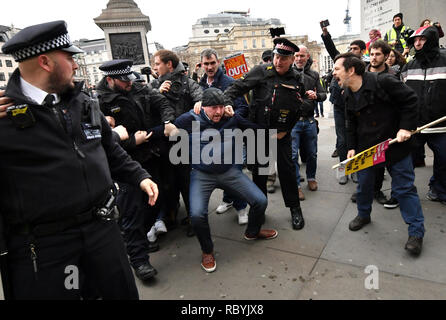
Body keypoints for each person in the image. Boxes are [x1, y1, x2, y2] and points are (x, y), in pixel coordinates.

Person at [0, 20, 159, 299]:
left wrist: (140, 176)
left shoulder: (83, 103)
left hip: (103, 231)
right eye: (70, 57)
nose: (75, 65)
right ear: (46, 62)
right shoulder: (4, 119)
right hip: (47, 248)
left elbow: (111, 151)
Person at [163, 88, 278, 272]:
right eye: (213, 107)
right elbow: (163, 128)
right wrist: (167, 124)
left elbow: (252, 128)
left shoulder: (230, 117)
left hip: (229, 171)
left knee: (260, 201)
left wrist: (277, 132)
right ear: (203, 107)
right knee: (197, 215)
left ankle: (253, 232)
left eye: (221, 107)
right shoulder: (189, 119)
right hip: (202, 174)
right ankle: (207, 250)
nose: (218, 112)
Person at [333, 52, 425, 256]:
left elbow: (411, 100)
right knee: (364, 186)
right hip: (368, 149)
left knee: (403, 189)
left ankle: (416, 232)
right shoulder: (347, 92)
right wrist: (352, 147)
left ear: (351, 70)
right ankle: (363, 215)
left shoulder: (384, 82)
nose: (333, 73)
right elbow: (350, 123)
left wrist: (406, 128)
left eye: (337, 69)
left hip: (395, 146)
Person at [96, 59, 176, 280]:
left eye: (129, 79)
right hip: (124, 164)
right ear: (110, 80)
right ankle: (139, 261)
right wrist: (132, 141)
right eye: (123, 81)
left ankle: (135, 240)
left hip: (149, 158)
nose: (129, 84)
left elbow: (161, 102)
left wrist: (168, 120)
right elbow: (99, 144)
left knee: (155, 202)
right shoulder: (99, 103)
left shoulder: (139, 86)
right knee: (132, 212)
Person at [223, 38, 306, 230]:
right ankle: (259, 210)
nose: (278, 62)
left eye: (284, 59)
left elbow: (299, 108)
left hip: (281, 135)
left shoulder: (297, 79)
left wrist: (286, 130)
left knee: (286, 172)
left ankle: (295, 209)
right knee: (259, 174)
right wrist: (227, 101)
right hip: (259, 133)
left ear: (292, 59)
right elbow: (236, 88)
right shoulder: (261, 72)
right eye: (277, 57)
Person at [151, 49, 203, 237]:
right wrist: (157, 93)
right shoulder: (154, 85)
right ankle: (170, 215)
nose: (154, 67)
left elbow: (200, 100)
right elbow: (143, 109)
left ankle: (192, 218)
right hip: (163, 144)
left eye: (157, 64)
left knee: (187, 182)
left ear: (169, 64)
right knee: (167, 182)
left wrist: (199, 103)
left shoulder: (188, 84)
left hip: (184, 142)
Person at [198, 48, 250, 224]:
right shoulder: (200, 85)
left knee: (234, 172)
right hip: (210, 139)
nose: (209, 67)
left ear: (218, 62)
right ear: (202, 65)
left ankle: (242, 207)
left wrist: (232, 114)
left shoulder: (230, 82)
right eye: (206, 64)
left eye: (212, 63)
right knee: (220, 172)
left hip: (230, 136)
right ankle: (228, 199)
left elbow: (243, 108)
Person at [401, 26, 446, 205]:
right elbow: (401, 95)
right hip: (415, 127)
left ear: (432, 39)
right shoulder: (408, 66)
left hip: (441, 126)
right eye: (415, 40)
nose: (417, 43)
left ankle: (439, 189)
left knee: (444, 160)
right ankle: (402, 192)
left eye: (422, 39)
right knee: (405, 161)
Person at [321, 24, 366, 185]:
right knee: (341, 140)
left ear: (362, 51)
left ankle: (353, 169)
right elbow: (331, 48)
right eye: (350, 48)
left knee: (355, 139)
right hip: (340, 107)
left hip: (356, 108)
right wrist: (325, 34)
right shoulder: (341, 60)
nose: (352, 50)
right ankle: (342, 170)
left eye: (355, 48)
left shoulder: (364, 68)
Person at [366, 40, 400, 209]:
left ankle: (385, 192)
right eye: (372, 54)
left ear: (386, 56)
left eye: (378, 54)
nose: (374, 57)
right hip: (367, 128)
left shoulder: (393, 76)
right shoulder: (361, 75)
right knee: (369, 165)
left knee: (387, 163)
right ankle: (368, 192)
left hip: (388, 127)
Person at [292, 45, 327, 200]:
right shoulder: (287, 73)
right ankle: (296, 185)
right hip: (292, 122)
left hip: (310, 121)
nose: (299, 58)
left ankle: (311, 178)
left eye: (302, 56)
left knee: (312, 153)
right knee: (293, 155)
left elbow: (323, 94)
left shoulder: (314, 74)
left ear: (307, 57)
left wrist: (316, 96)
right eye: (297, 55)